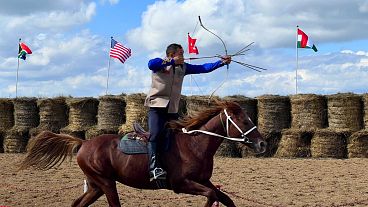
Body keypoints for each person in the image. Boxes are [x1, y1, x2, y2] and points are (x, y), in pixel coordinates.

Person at [145, 43, 231, 181]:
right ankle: (153, 168)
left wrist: (221, 62)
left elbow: (204, 68)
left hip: (172, 109)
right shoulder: (160, 64)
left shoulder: (183, 67)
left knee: (180, 136)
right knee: (155, 134)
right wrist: (172, 61)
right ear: (172, 54)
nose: (184, 56)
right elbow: (150, 64)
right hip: (156, 107)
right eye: (181, 53)